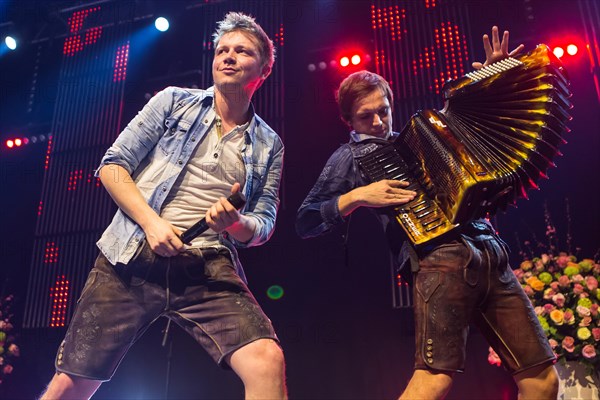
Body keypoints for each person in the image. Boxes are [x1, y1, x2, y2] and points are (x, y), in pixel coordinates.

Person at [296, 27, 558, 399]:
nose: (377, 123)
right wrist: (357, 196)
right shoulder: (350, 157)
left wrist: (494, 82)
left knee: (543, 380)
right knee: (433, 381)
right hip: (438, 262)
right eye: (364, 117)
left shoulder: (427, 135)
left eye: (383, 111)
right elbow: (305, 220)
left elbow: (483, 128)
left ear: (391, 102)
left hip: (490, 253)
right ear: (348, 122)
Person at [41, 12, 287, 400]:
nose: (227, 56)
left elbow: (265, 222)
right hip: (131, 258)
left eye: (242, 51)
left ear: (265, 68)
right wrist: (152, 223)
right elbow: (112, 166)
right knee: (72, 382)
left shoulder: (269, 144)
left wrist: (236, 223)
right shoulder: (174, 102)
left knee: (266, 359)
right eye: (222, 49)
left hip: (206, 266)